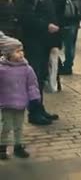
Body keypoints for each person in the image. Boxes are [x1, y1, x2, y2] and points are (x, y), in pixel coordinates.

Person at [15, 0, 59, 126]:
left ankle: (40, 108)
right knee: (34, 78)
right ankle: (34, 112)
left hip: (44, 40)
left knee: (40, 77)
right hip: (33, 41)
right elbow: (26, 17)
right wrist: (46, 25)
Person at [0, 32, 40, 160]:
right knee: (6, 126)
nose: (21, 53)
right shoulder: (2, 69)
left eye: (21, 50)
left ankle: (18, 146)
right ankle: (2, 146)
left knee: (19, 126)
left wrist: (34, 98)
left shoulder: (26, 69)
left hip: (21, 103)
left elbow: (32, 84)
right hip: (6, 103)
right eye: (17, 51)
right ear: (8, 53)